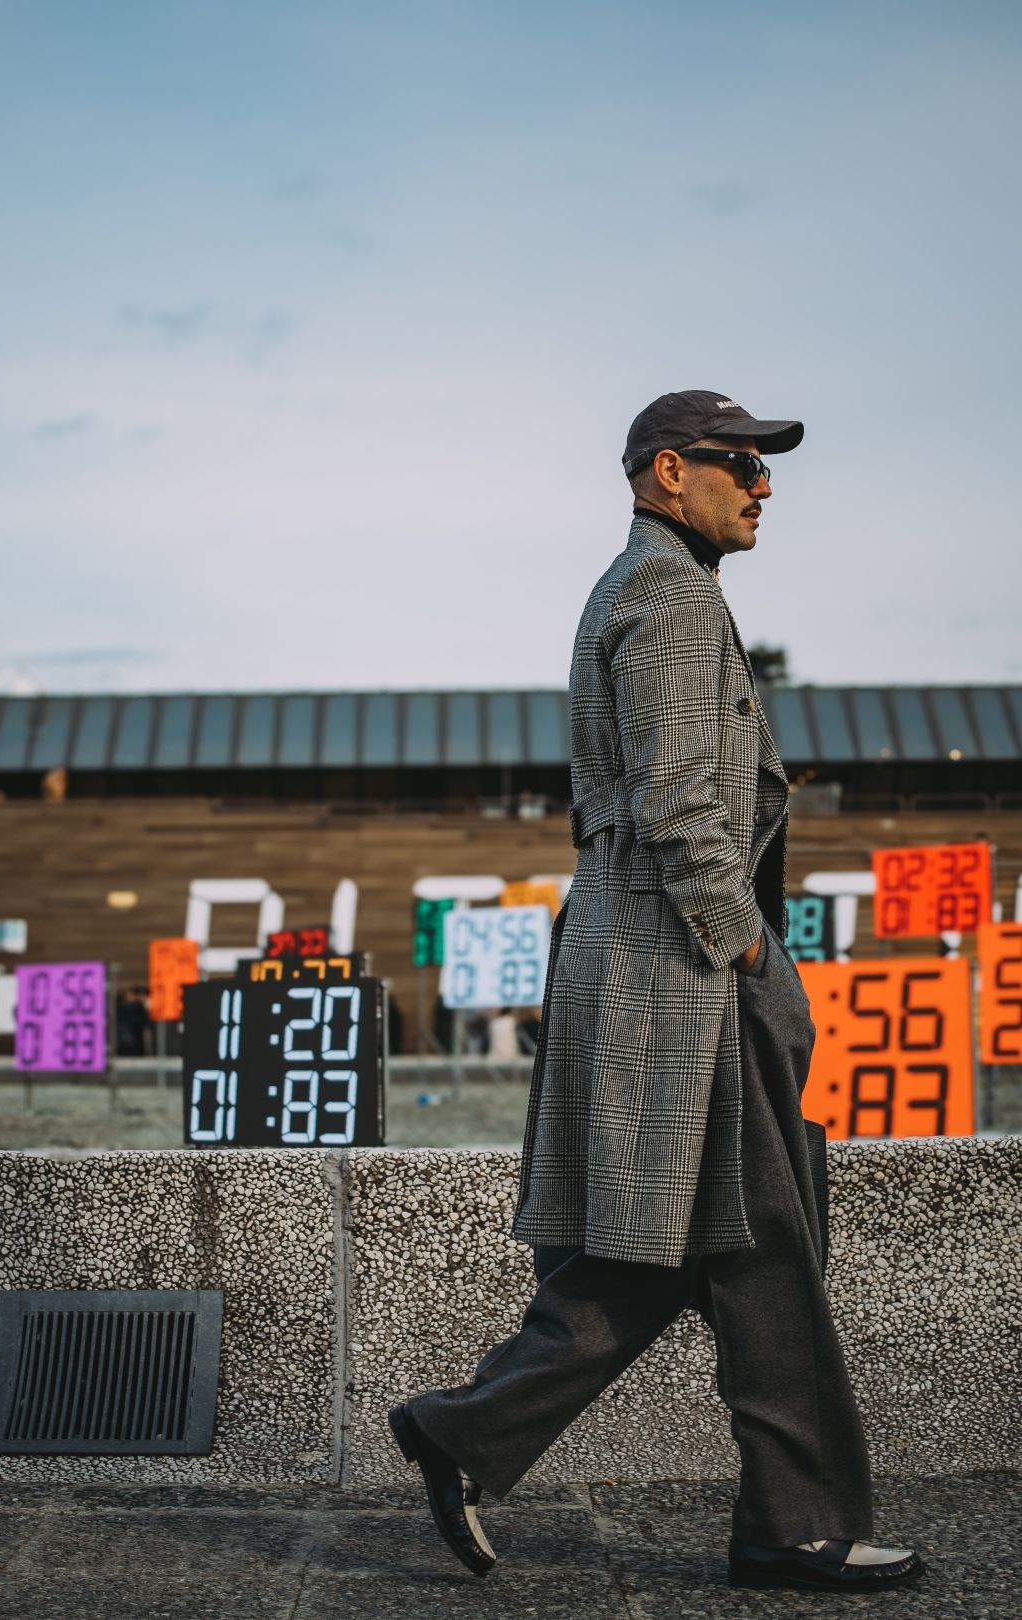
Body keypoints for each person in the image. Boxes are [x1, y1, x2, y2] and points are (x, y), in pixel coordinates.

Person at [388, 390, 924, 1593]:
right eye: (743, 465)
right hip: (689, 973)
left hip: (646, 958)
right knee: (764, 1246)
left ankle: (472, 1433)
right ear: (667, 472)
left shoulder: (641, 588)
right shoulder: (674, 599)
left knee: (692, 1250)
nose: (764, 486)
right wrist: (746, 949)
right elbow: (682, 806)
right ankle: (794, 1528)